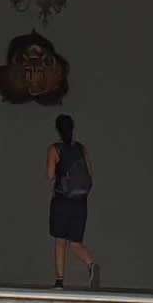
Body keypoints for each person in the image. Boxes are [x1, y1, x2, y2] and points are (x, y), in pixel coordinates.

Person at [47, 114, 99, 289]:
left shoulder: (55, 149)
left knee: (60, 241)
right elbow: (90, 174)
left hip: (62, 201)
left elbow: (50, 175)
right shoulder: (82, 149)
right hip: (80, 202)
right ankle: (91, 264)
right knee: (76, 243)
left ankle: (59, 280)